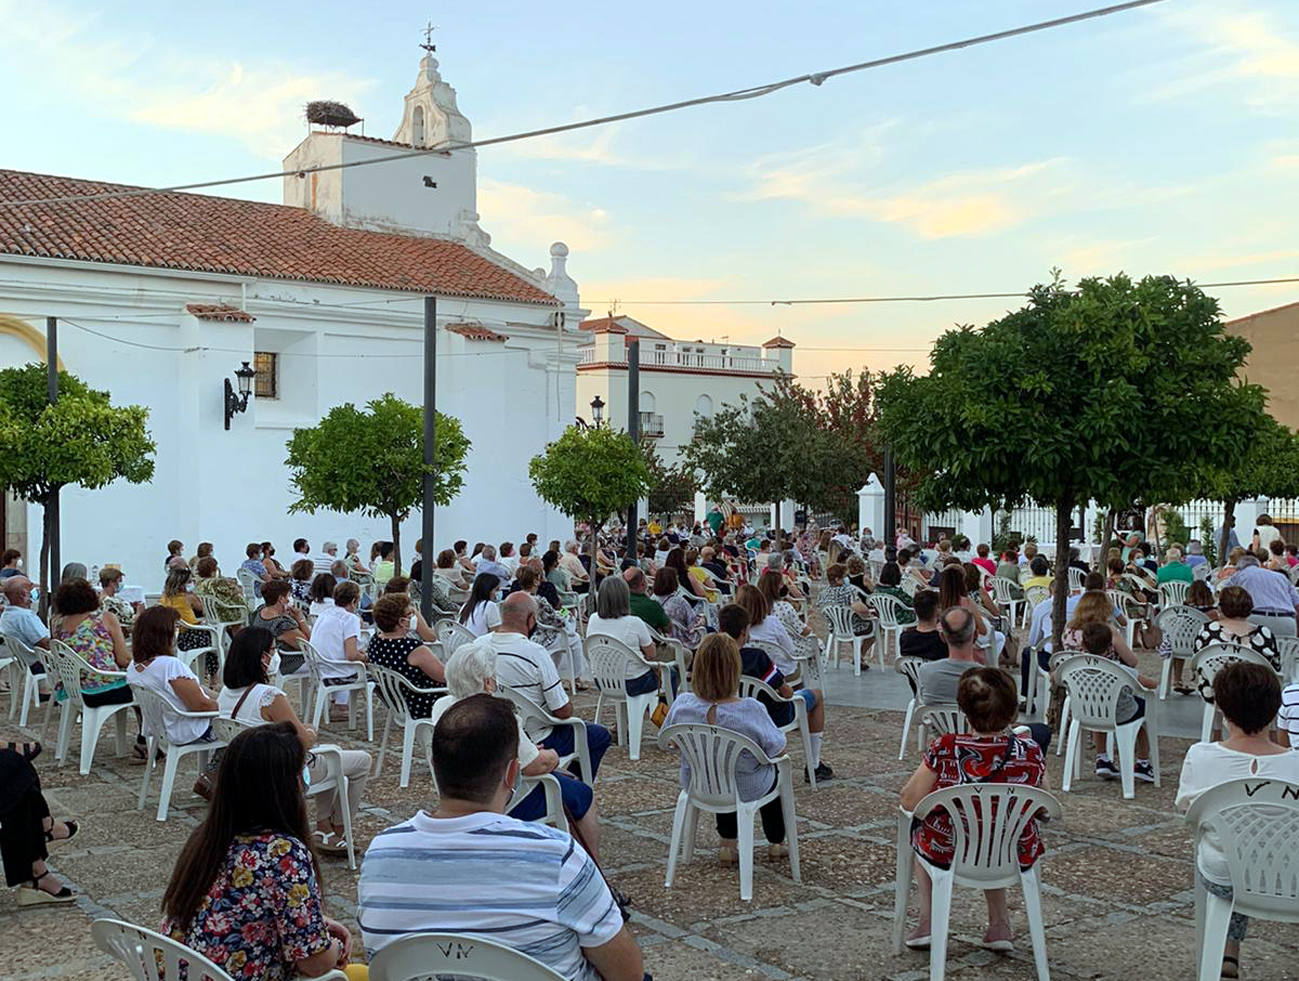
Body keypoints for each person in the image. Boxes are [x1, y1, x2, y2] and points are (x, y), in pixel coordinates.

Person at [357, 695, 645, 981]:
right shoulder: (556, 858)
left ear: (435, 764)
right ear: (512, 773)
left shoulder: (380, 856)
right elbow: (627, 973)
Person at [162, 723, 353, 979]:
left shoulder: (207, 838)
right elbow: (314, 963)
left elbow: (238, 911)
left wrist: (317, 924)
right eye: (303, 768)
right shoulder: (283, 853)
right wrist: (336, 946)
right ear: (286, 784)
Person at [901, 667, 1048, 952]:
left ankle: (928, 921)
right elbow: (1044, 804)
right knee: (994, 829)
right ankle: (999, 925)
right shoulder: (1029, 750)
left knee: (920, 831)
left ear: (964, 711)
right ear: (1012, 712)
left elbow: (909, 800)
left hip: (951, 849)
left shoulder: (946, 748)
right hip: (1012, 850)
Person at [1176, 662, 1299, 980]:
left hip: (1224, 874)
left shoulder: (1201, 757)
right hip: (1291, 875)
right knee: (1252, 848)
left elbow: (1189, 812)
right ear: (1275, 711)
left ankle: (1226, 950)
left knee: (1231, 852)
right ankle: (1230, 951)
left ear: (1221, 709)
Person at [431, 642, 602, 854]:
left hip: (455, 795)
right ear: (487, 682)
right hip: (502, 800)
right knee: (583, 794)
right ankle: (591, 865)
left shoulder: (441, 707)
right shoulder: (498, 716)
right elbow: (535, 766)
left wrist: (526, 750)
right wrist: (552, 756)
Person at [219, 626, 371, 854]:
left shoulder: (226, 692)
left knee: (331, 754)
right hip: (283, 773)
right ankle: (339, 829)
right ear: (262, 657)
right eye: (272, 650)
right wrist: (310, 731)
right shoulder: (269, 696)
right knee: (362, 761)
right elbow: (303, 740)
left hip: (250, 771)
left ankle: (324, 827)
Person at [663, 633, 792, 865]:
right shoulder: (750, 709)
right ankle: (776, 842)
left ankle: (727, 844)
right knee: (771, 773)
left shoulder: (682, 704)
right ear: (735, 670)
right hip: (746, 787)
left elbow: (669, 740)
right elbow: (778, 749)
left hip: (698, 781)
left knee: (719, 766)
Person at [494, 593, 612, 781]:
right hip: (536, 736)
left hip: (494, 734)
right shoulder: (535, 653)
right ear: (531, 619)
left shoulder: (478, 646)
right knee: (598, 735)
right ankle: (576, 785)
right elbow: (562, 711)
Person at [717, 604, 832, 782]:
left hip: (730, 716)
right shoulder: (757, 657)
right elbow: (786, 693)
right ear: (743, 632)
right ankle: (814, 765)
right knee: (815, 695)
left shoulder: (715, 657)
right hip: (771, 715)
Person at [127, 605, 219, 747]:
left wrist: (222, 697)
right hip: (187, 730)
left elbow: (190, 690)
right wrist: (229, 707)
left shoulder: (134, 666)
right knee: (242, 724)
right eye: (175, 628)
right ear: (164, 634)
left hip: (162, 730)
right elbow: (201, 705)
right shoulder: (170, 666)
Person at [1076, 620, 1156, 782]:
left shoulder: (1077, 666)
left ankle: (1102, 758)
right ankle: (1143, 762)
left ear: (1083, 645)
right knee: (1142, 714)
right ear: (1110, 646)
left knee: (1098, 706)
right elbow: (1150, 684)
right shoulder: (1119, 669)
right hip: (1121, 714)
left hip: (1087, 712)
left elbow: (1056, 677)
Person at [51, 577, 133, 723]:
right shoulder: (105, 619)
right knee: (146, 688)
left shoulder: (58, 624)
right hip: (101, 689)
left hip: (71, 690)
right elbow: (123, 659)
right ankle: (144, 739)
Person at [585, 576, 670, 699]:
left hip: (603, 681)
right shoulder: (634, 622)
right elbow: (651, 654)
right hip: (634, 681)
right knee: (670, 674)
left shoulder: (593, 619)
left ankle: (645, 705)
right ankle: (661, 712)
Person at [1192, 586, 1282, 701]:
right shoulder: (1264, 633)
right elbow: (1275, 667)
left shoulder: (1207, 631)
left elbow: (1197, 661)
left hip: (1216, 692)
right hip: (1257, 696)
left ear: (1221, 608)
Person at [366, 594, 446, 720]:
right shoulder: (413, 649)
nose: (414, 617)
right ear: (402, 622)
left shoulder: (375, 641)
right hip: (424, 702)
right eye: (411, 615)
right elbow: (445, 677)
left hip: (397, 702)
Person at [310, 581, 367, 721]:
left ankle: (337, 702)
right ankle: (341, 706)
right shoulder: (349, 619)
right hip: (335, 670)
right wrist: (365, 657)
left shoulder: (325, 613)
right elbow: (351, 655)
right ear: (354, 601)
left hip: (319, 667)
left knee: (346, 657)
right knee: (366, 668)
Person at [1224, 553, 1299, 637]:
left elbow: (1224, 595)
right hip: (1286, 622)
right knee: (1287, 649)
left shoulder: (1239, 575)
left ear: (1238, 568)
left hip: (1256, 620)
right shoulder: (1281, 577)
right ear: (1258, 565)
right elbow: (1297, 605)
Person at [192, 557, 246, 625]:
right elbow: (234, 591)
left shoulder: (199, 584)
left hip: (211, 615)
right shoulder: (216, 582)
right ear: (212, 570)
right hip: (223, 613)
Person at [900, 589, 948, 662]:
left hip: (914, 673)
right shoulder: (942, 641)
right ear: (938, 610)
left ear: (915, 611)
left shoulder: (905, 639)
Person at [624, 566, 670, 634]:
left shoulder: (617, 602)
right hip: (648, 642)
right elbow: (668, 628)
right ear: (643, 583)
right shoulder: (653, 606)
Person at [458, 572, 502, 637]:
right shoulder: (490, 606)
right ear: (488, 590)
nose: (498, 592)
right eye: (497, 589)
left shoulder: (467, 605)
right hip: (478, 643)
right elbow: (496, 633)